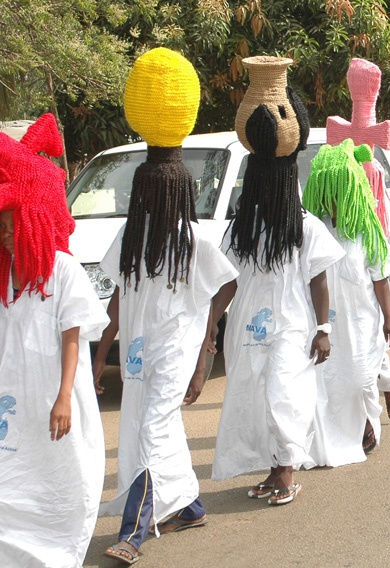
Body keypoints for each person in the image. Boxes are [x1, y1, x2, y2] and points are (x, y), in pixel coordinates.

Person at [93, 49, 239, 564]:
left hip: (174, 350)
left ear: (176, 192)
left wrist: (205, 343)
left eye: (161, 191)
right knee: (143, 427)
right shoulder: (131, 238)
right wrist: (100, 355)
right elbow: (116, 297)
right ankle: (191, 505)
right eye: (146, 191)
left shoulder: (192, 239)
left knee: (152, 427)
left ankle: (134, 529)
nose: (152, 199)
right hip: (136, 351)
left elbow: (226, 286)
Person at [212, 55, 343, 506]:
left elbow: (319, 281)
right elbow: (227, 282)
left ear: (286, 186)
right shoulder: (242, 229)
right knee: (254, 396)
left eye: (272, 186)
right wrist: (212, 326)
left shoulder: (304, 226)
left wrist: (323, 329)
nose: (264, 192)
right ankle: (273, 468)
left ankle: (288, 471)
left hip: (291, 322)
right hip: (248, 324)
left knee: (283, 393)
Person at [0, 113, 109, 567]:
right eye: (0, 225)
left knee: (61, 474)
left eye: (12, 223)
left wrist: (64, 396)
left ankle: (57, 552)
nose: (6, 234)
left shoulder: (62, 271)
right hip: (14, 400)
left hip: (55, 397)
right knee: (11, 477)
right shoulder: (4, 276)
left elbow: (71, 337)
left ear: (35, 218)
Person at [302, 139, 390, 462]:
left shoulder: (366, 231)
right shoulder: (316, 230)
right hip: (329, 325)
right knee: (332, 385)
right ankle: (347, 433)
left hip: (362, 322)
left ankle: (369, 420)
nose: (333, 202)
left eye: (338, 193)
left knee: (360, 380)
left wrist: (389, 318)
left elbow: (381, 278)